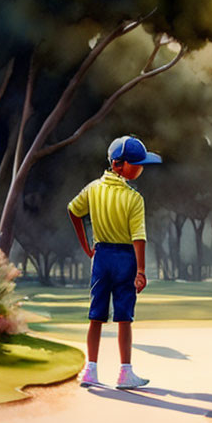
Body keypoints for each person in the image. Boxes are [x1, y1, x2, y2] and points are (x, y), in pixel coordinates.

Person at [68, 135, 162, 389]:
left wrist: (86, 245)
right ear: (118, 165)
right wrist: (141, 271)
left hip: (101, 257)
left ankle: (91, 370)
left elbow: (73, 210)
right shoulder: (134, 199)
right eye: (136, 163)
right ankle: (125, 372)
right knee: (124, 318)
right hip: (125, 258)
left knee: (96, 315)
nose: (141, 167)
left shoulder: (93, 189)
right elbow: (138, 238)